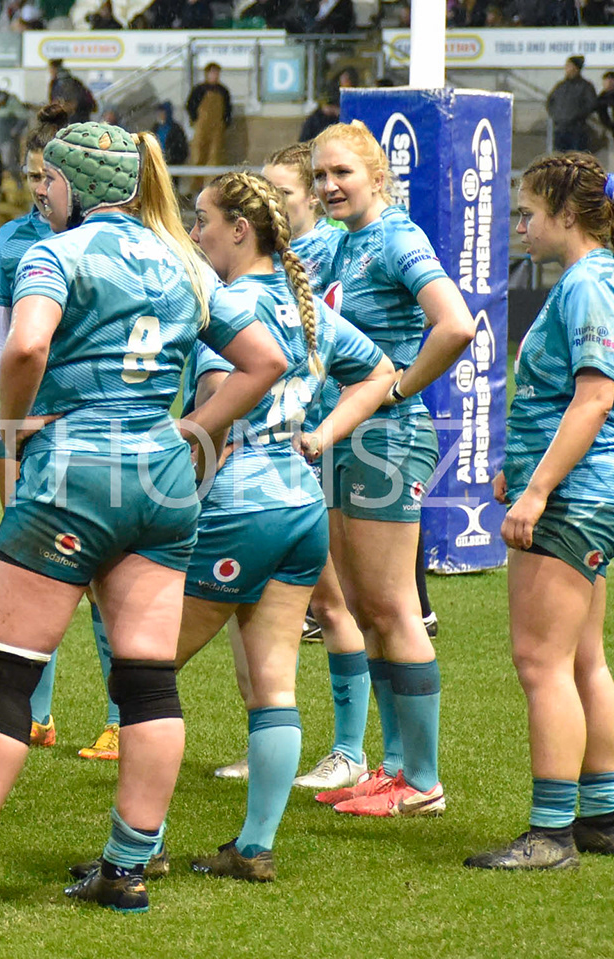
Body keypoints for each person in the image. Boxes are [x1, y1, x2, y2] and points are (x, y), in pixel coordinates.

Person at [0, 122, 286, 915]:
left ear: (79, 185)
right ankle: (125, 867)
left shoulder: (54, 253)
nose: (40, 192)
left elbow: (25, 347)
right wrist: (196, 431)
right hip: (160, 475)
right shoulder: (183, 260)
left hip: (75, 466)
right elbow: (266, 360)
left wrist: (12, 432)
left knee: (4, 675)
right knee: (147, 680)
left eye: (49, 180)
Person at [172, 171, 395, 880]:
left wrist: (175, 500)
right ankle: (254, 846)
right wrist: (323, 435)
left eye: (202, 219)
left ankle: (135, 846)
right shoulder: (303, 308)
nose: (196, 232)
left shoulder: (226, 306)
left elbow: (214, 412)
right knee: (272, 683)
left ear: (240, 229)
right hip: (300, 505)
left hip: (241, 506)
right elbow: (381, 371)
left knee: (140, 671)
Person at [465, 156, 614, 871]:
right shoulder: (600, 280)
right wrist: (525, 469)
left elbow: (593, 400)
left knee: (540, 662)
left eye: (527, 213)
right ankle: (602, 817)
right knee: (581, 658)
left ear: (566, 215)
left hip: (577, 499)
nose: (520, 224)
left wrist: (538, 490)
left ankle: (551, 834)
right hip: (592, 494)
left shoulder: (589, 284)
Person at [308, 121, 476, 817]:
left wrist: (402, 386)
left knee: (395, 608)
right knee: (370, 609)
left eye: (342, 173)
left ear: (377, 176)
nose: (327, 186)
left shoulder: (398, 236)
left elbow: (457, 324)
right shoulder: (339, 242)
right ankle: (395, 766)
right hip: (349, 437)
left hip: (387, 439)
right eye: (319, 175)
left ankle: (424, 779)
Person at [0, 103, 82, 755]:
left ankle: (121, 718)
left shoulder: (99, 239)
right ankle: (38, 712)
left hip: (85, 422)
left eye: (47, 175)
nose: (36, 187)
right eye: (31, 173)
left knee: (108, 580)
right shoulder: (13, 239)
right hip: (22, 422)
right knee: (33, 563)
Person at [252, 140, 375, 792]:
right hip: (283, 444)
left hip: (314, 444)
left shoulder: (324, 251)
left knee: (329, 601)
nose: (268, 204)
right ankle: (269, 737)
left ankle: (351, 749)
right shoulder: (276, 257)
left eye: (281, 192)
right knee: (269, 599)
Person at [188, 64, 233, 190]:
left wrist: (225, 124)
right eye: (212, 73)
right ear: (206, 74)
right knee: (198, 157)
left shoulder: (223, 91)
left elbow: (228, 110)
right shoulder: (199, 90)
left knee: (215, 158)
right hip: (201, 128)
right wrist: (196, 120)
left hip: (217, 130)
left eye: (217, 73)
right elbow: (190, 106)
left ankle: (212, 188)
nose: (214, 75)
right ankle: (196, 188)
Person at [548, 56, 597, 154]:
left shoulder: (585, 86)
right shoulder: (561, 86)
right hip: (560, 129)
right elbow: (550, 101)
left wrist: (575, 116)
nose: (567, 69)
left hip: (577, 130)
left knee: (576, 159)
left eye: (570, 66)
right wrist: (556, 116)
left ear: (577, 68)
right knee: (559, 159)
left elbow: (591, 104)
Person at [0, 86, 29, 175]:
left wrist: (15, 130)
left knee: (8, 162)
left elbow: (24, 118)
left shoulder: (13, 104)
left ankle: (16, 180)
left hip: (7, 139)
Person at [595, 71, 614, 162]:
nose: (608, 84)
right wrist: (608, 124)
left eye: (611, 81)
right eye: (606, 81)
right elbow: (600, 112)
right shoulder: (602, 96)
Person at [149, 101, 188, 169]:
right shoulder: (155, 128)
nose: (159, 115)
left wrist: (174, 160)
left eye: (162, 113)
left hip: (172, 166)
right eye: (158, 113)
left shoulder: (176, 130)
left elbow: (183, 150)